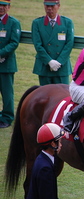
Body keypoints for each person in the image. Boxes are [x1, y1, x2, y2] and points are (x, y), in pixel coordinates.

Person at [31, 0, 74, 86]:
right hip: (44, 65)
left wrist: (59, 62)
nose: (49, 9)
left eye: (52, 6)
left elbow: (69, 44)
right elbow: (37, 45)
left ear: (58, 6)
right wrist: (49, 61)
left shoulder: (67, 22)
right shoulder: (37, 23)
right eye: (47, 6)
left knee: (63, 96)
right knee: (45, 96)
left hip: (61, 67)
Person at [27, 123, 65, 199]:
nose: (61, 145)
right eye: (59, 142)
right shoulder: (45, 169)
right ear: (53, 144)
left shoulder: (41, 159)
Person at [0, 0, 21, 128]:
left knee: (7, 93)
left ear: (8, 7)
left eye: (4, 5)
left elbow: (14, 42)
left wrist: (1, 53)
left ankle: (7, 117)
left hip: (6, 63)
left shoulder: (13, 22)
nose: (1, 8)